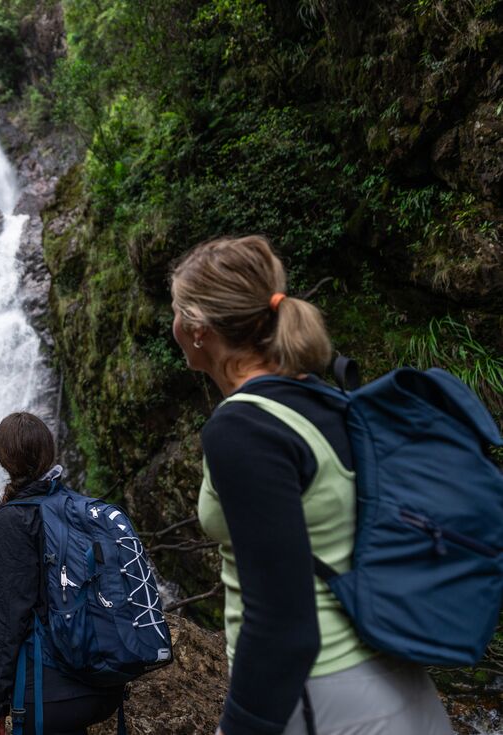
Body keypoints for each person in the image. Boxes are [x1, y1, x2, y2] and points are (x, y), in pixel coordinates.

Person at [170, 235, 453, 735]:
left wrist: (241, 726)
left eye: (174, 313)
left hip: (325, 698)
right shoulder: (328, 400)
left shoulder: (245, 428)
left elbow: (282, 619)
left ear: (197, 329)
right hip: (400, 687)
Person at [0, 412, 125, 735]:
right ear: (49, 453)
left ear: (4, 459)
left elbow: (5, 618)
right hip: (102, 682)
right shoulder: (74, 506)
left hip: (49, 695)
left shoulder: (15, 519)